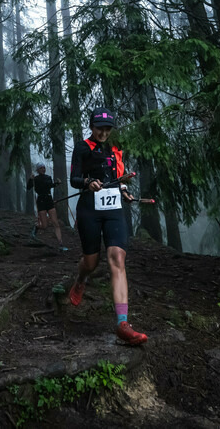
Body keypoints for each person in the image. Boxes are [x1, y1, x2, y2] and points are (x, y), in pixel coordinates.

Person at [66, 108, 147, 346]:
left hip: (113, 210)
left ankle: (123, 323)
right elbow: (74, 179)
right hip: (89, 208)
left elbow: (118, 179)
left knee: (117, 258)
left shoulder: (115, 150)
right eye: (100, 127)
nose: (103, 132)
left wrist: (125, 191)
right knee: (90, 262)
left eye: (107, 128)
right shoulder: (82, 147)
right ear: (92, 126)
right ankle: (80, 280)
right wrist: (88, 182)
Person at [27, 164, 67, 250]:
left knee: (55, 223)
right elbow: (28, 187)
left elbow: (50, 185)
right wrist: (30, 179)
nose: (43, 169)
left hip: (49, 199)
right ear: (37, 170)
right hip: (41, 200)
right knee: (45, 226)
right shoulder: (35, 179)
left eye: (44, 168)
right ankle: (37, 227)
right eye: (41, 168)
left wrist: (57, 183)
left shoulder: (48, 177)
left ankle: (61, 244)